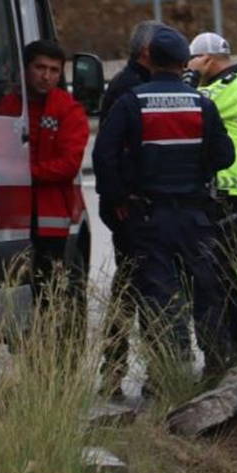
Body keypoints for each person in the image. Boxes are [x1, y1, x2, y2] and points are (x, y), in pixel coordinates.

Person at [93, 26, 236, 379]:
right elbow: (225, 154)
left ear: (149, 60)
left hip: (149, 217)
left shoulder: (132, 102)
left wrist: (119, 198)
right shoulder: (202, 103)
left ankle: (170, 376)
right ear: (183, 62)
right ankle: (216, 367)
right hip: (195, 216)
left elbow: (103, 157)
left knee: (160, 295)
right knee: (205, 290)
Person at [186, 32, 237, 357]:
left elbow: (189, 106)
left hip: (232, 190)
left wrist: (189, 81)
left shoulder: (221, 90)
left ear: (205, 59)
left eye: (192, 60)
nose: (189, 66)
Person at [96, 19, 162, 391]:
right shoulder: (130, 87)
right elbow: (110, 150)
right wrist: (119, 197)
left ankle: (123, 369)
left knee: (136, 287)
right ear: (148, 51)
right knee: (135, 288)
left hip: (134, 202)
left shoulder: (137, 82)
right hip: (129, 205)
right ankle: (116, 369)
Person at [0, 40, 89, 296]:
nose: (46, 76)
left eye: (54, 70)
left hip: (51, 219)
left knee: (49, 292)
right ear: (25, 69)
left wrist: (25, 174)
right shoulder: (8, 106)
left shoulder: (68, 109)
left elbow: (68, 164)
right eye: (40, 68)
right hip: (11, 219)